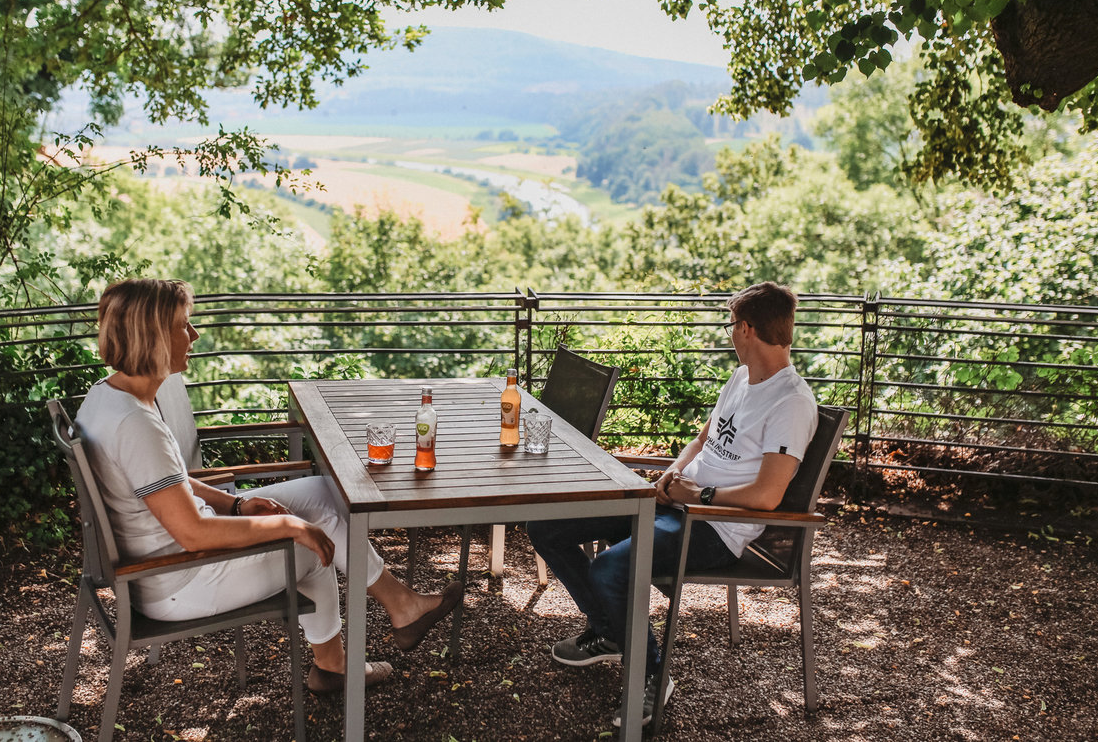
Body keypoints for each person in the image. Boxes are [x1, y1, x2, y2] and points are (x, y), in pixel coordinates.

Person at [74, 278, 463, 694]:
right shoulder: (135, 424)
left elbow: (166, 479)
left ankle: (389, 617)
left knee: (321, 494)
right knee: (316, 544)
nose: (194, 335)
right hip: (178, 581)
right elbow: (192, 533)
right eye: (183, 325)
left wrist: (236, 505)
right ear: (151, 335)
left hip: (173, 561)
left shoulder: (110, 397)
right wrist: (291, 527)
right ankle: (343, 661)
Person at [526, 281, 818, 726]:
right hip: (679, 503)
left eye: (730, 326)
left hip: (716, 526)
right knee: (547, 527)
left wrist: (697, 495)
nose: (729, 335)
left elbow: (767, 496)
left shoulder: (791, 401)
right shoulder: (742, 378)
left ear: (746, 329)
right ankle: (609, 631)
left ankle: (652, 674)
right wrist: (671, 474)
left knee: (611, 569)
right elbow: (704, 439)